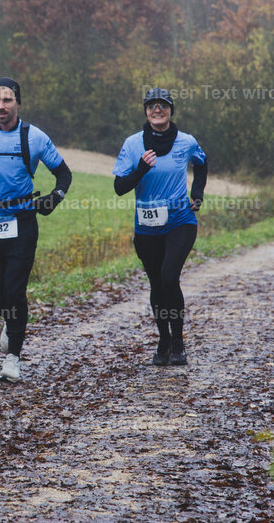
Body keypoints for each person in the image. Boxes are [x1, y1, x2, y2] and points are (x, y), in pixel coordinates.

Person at [0, 78, 72, 383]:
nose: (1, 106)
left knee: (15, 290)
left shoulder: (34, 137)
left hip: (22, 221)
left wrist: (54, 198)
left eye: (7, 100)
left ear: (17, 102)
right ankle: (10, 321)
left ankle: (13, 358)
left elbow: (63, 174)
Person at [113, 88, 206, 366]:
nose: (157, 109)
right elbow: (119, 188)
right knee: (156, 283)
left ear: (170, 110)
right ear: (145, 111)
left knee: (168, 277)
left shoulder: (186, 141)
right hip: (146, 226)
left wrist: (197, 194)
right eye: (151, 105)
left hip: (180, 221)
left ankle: (178, 342)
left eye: (163, 105)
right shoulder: (132, 145)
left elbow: (202, 163)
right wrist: (140, 169)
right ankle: (163, 339)